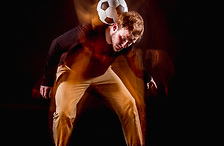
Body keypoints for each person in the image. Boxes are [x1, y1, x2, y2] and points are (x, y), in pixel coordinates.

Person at [40, 11, 156, 146]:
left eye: (129, 42)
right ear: (114, 27)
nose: (125, 44)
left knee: (130, 106)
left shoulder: (126, 43)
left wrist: (147, 77)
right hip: (73, 74)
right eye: (123, 39)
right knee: (64, 113)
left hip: (102, 74)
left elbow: (133, 62)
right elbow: (56, 44)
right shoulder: (88, 30)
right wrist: (47, 81)